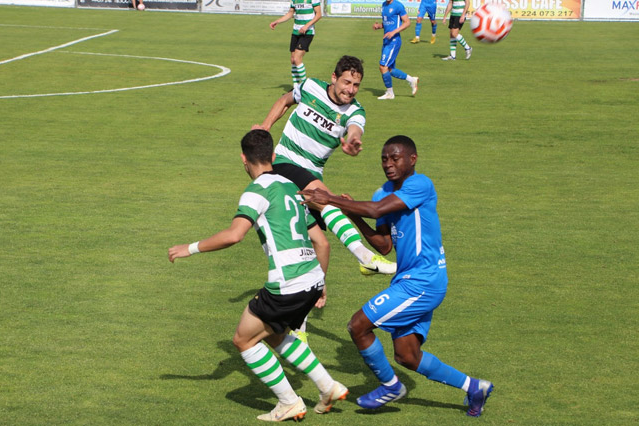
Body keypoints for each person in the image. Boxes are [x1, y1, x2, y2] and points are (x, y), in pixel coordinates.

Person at [300, 135, 494, 417]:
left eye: (395, 158)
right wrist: (352, 214)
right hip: (409, 279)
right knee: (407, 356)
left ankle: (390, 386)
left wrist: (329, 200)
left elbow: (377, 209)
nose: (388, 164)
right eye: (384, 159)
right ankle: (474, 386)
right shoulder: (382, 194)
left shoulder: (420, 184)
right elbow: (383, 244)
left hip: (424, 281)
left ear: (412, 160)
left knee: (357, 326)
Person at [168, 129, 348, 422]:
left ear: (244, 159)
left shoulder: (257, 190)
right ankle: (328, 387)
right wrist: (321, 284)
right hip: (312, 278)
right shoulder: (291, 187)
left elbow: (234, 235)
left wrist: (190, 248)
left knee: (243, 339)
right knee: (275, 335)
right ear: (273, 156)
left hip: (288, 283)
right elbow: (322, 242)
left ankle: (289, 402)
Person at [253, 55, 396, 277]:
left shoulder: (355, 112)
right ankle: (365, 257)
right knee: (329, 200)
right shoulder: (310, 86)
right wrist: (265, 127)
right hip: (284, 161)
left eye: (356, 85)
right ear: (334, 78)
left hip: (312, 172)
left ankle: (315, 291)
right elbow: (284, 100)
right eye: (346, 82)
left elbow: (355, 129)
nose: (350, 90)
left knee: (315, 243)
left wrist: (352, 141)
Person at [270, 0, 322, 88]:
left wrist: (306, 26)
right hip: (296, 31)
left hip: (307, 32)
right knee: (293, 60)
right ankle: (296, 87)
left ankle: (305, 87)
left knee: (297, 58)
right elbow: (290, 13)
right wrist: (277, 21)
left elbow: (319, 14)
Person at [373, 0, 419, 100]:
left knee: (383, 67)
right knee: (389, 69)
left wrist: (393, 32)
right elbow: (387, 23)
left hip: (394, 41)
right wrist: (379, 26)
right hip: (386, 40)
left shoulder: (398, 5)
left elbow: (407, 22)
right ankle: (412, 80)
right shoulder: (384, 5)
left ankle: (390, 93)